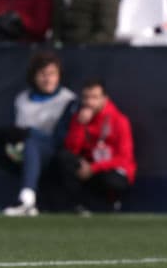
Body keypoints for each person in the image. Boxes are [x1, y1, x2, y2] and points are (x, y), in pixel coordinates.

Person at [0, 51, 76, 216]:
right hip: (24, 153)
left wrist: (30, 133)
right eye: (42, 74)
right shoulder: (22, 99)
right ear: (33, 76)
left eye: (52, 74)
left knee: (31, 142)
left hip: (53, 155)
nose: (47, 79)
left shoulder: (68, 99)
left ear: (59, 75)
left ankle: (27, 199)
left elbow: (61, 139)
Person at [56, 78, 135, 212]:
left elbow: (124, 157)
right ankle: (77, 205)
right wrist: (80, 125)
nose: (89, 102)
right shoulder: (79, 117)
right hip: (88, 165)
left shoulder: (119, 120)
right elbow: (72, 149)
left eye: (95, 97)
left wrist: (94, 168)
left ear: (105, 99)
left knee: (112, 180)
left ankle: (110, 202)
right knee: (63, 158)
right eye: (86, 97)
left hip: (109, 169)